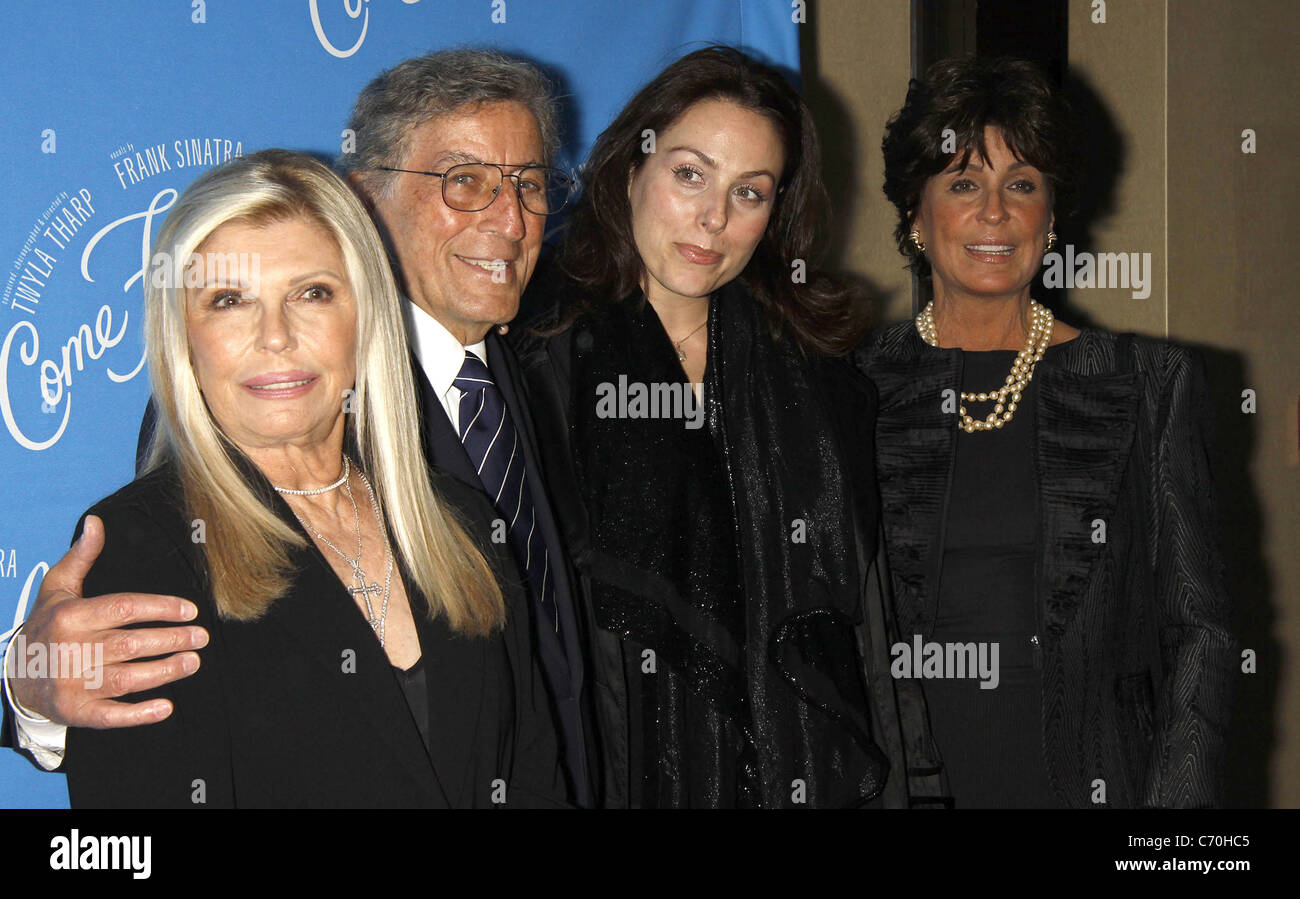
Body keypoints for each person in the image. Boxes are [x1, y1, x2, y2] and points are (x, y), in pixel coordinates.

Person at [1, 50, 593, 807]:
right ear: (184, 337)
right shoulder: (148, 548)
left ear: (364, 313)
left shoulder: (466, 524)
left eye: (313, 292)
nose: (275, 335)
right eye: (228, 301)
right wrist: (22, 683)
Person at [513, 46, 896, 808]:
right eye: (689, 173)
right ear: (631, 168)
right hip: (612, 763)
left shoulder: (819, 374)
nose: (714, 217)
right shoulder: (537, 354)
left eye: (749, 192)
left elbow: (868, 628)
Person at [856, 55, 1235, 807]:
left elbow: (1203, 634)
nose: (995, 213)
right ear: (915, 213)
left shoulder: (1146, 385)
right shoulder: (853, 387)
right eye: (964, 183)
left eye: (1022, 184)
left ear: (1051, 216)